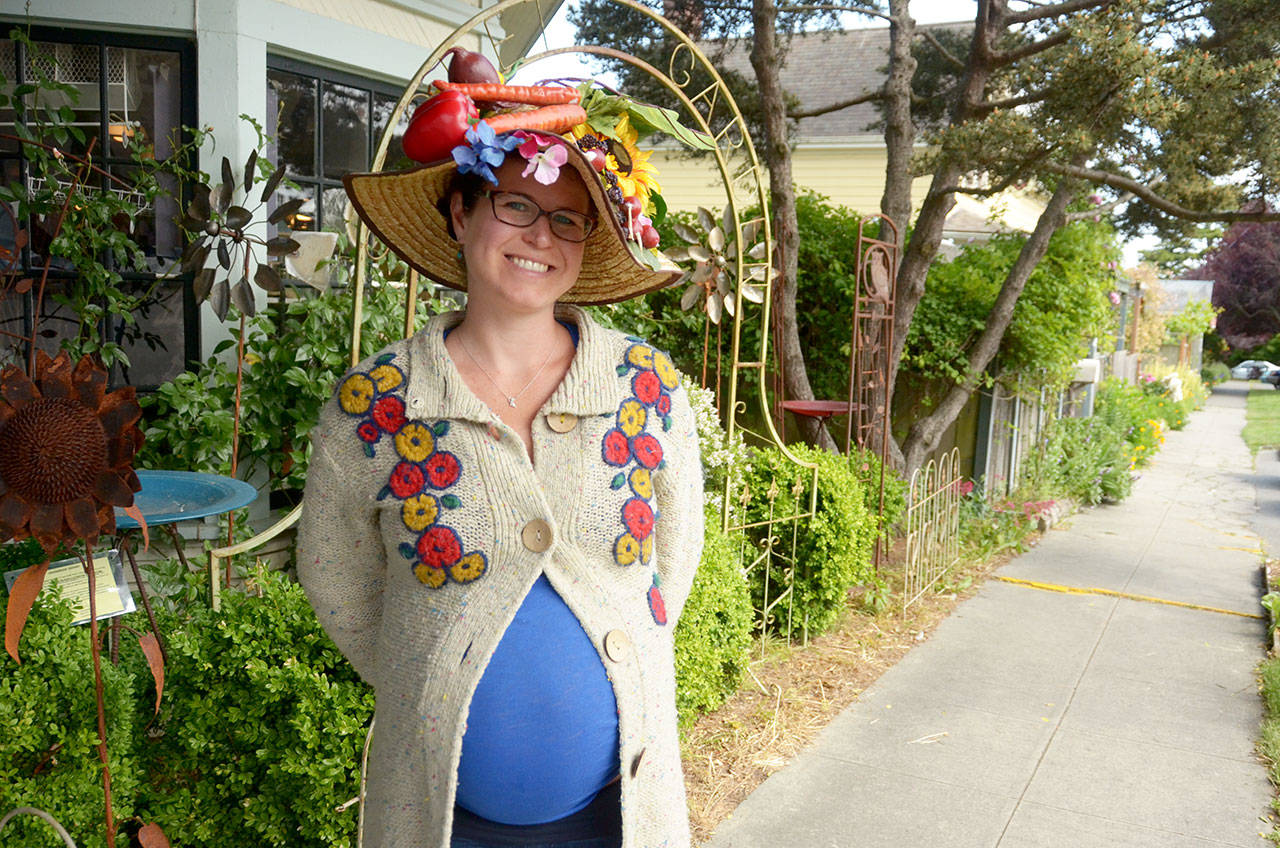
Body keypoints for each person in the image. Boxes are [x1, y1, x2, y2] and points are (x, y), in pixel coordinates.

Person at [297, 89, 706, 848]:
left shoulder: (647, 391)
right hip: (437, 821)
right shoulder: (374, 407)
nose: (539, 237)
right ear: (461, 213)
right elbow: (337, 579)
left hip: (618, 818)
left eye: (566, 219)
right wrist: (430, 670)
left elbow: (670, 569)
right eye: (516, 205)